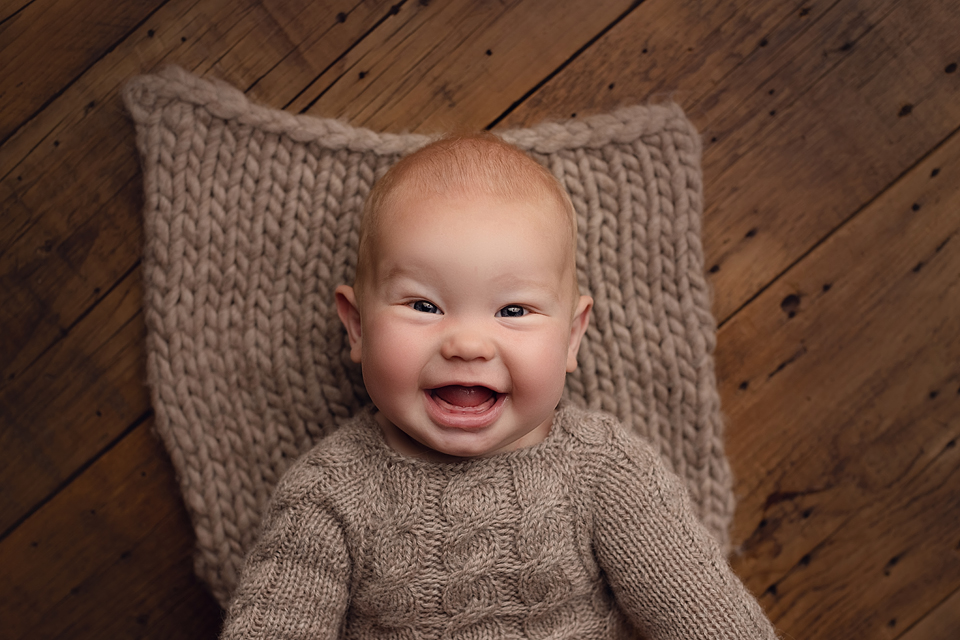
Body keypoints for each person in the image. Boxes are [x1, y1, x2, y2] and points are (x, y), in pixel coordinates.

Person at [220, 133, 779, 639]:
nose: (468, 344)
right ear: (358, 326)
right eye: (424, 305)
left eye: (513, 310)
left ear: (571, 338)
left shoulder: (604, 471)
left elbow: (711, 620)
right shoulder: (329, 495)